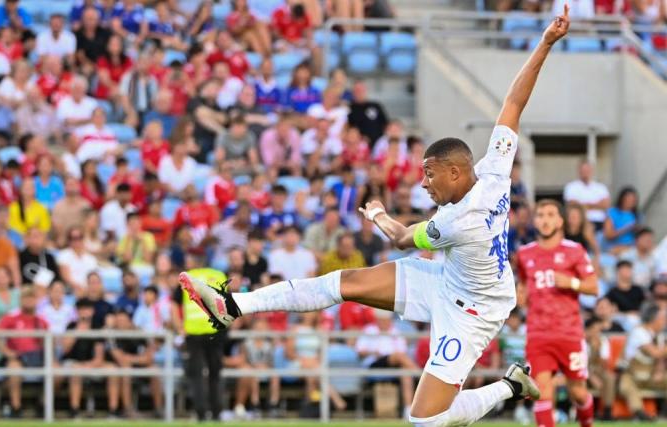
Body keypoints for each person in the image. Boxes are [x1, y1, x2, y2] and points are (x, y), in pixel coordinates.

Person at [179, 9, 572, 425]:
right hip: (446, 280)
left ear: (456, 172)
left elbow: (401, 237)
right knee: (343, 283)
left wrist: (380, 214)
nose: (424, 183)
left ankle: (509, 386)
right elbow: (513, 102)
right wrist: (545, 42)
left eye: (430, 174)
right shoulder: (495, 171)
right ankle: (233, 305)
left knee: (424, 421)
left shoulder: (457, 222)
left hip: (475, 313)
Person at [516, 199, 599, 427]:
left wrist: (571, 282)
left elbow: (593, 286)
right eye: (540, 215)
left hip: (569, 333)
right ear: (534, 221)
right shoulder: (524, 253)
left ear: (560, 221)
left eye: (551, 215)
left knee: (578, 393)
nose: (545, 220)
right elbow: (523, 284)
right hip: (538, 334)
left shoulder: (574, 250)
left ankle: (587, 422)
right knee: (542, 391)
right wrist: (521, 295)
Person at [173, 266, 229, 421]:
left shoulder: (186, 276)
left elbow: (174, 303)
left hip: (194, 333)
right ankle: (217, 412)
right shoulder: (219, 274)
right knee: (215, 374)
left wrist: (179, 327)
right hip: (216, 331)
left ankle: (201, 413)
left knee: (196, 375)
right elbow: (229, 302)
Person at [0, 286, 49, 418]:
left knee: (56, 370)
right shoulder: (12, 317)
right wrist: (7, 352)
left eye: (31, 297)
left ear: (36, 300)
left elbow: (49, 342)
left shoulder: (41, 320)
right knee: (14, 369)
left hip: (37, 357)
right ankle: (16, 407)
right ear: (20, 300)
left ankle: (43, 404)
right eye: (26, 297)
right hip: (17, 357)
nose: (29, 301)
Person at [618, 303, 667, 422]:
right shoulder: (639, 332)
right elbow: (655, 353)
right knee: (627, 386)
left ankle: (664, 413)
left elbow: (660, 358)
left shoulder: (659, 335)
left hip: (650, 374)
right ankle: (640, 414)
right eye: (662, 318)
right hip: (632, 374)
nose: (665, 322)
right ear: (654, 319)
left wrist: (659, 371)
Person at [563, 161, 610, 231]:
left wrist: (583, 205)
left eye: (587, 170)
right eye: (583, 170)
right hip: (580, 223)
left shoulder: (601, 187)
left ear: (591, 171)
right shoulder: (571, 187)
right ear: (579, 171)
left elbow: (605, 205)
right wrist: (596, 205)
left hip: (600, 223)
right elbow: (572, 205)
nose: (585, 172)